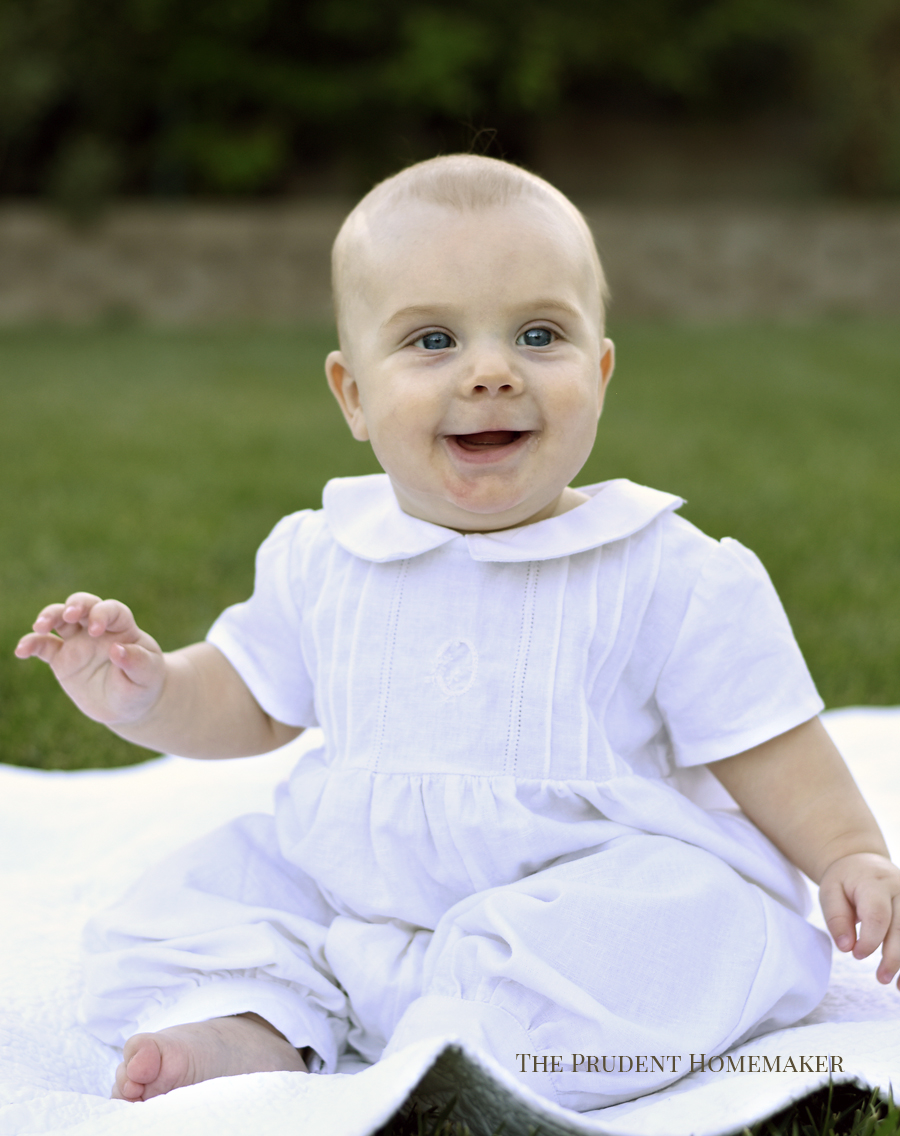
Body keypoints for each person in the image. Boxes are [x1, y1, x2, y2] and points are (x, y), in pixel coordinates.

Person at [15, 155, 900, 1113]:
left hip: (570, 903)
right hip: (360, 897)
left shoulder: (665, 569)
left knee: (704, 921)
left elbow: (764, 735)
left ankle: (481, 1046)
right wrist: (150, 692)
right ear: (352, 395)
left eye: (539, 334)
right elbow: (247, 697)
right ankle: (258, 1021)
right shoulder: (325, 554)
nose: (490, 372)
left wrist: (848, 852)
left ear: (599, 373)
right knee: (213, 891)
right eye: (433, 340)